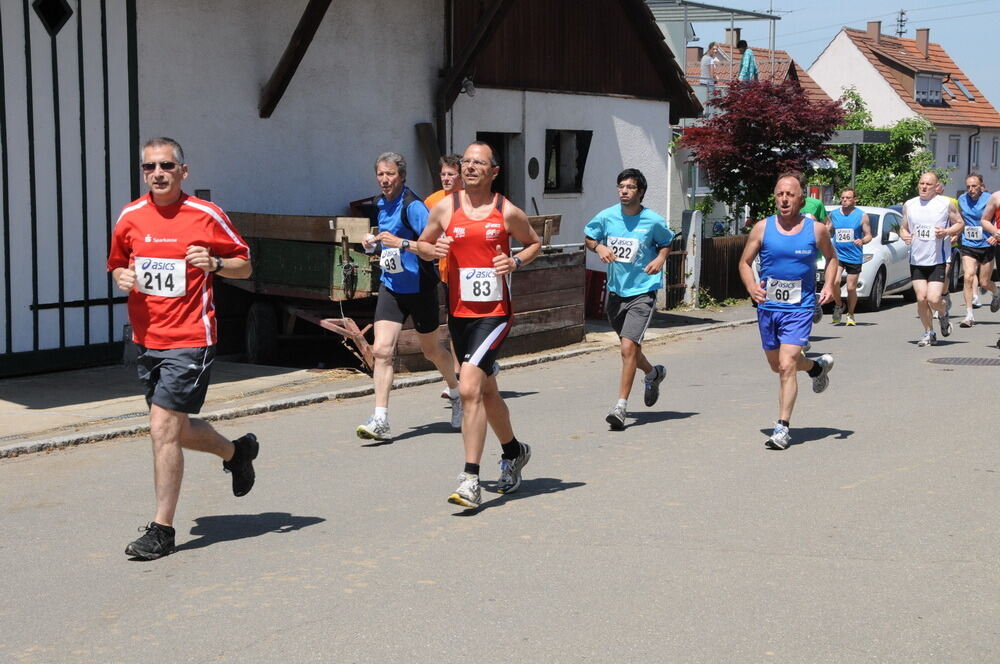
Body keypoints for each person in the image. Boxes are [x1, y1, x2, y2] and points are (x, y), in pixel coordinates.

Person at [107, 137, 256, 560]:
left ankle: (162, 529)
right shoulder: (131, 216)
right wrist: (121, 276)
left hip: (191, 338)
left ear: (183, 172)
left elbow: (245, 263)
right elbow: (117, 262)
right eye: (150, 167)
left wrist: (217, 264)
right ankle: (236, 451)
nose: (158, 173)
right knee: (173, 428)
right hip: (147, 338)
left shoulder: (206, 215)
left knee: (162, 430)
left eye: (167, 166)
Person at [417, 141, 541, 509]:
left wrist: (515, 262)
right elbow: (423, 244)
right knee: (487, 392)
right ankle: (514, 451)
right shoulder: (445, 208)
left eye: (478, 163)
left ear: (493, 172)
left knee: (469, 387)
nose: (470, 168)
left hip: (494, 314)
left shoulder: (506, 211)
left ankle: (470, 478)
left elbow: (534, 243)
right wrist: (431, 250)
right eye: (466, 162)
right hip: (458, 313)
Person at [357, 152, 461, 441]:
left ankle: (456, 392)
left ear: (401, 176)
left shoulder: (413, 206)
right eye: (380, 174)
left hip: (420, 289)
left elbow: (436, 248)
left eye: (390, 174)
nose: (384, 179)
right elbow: (387, 243)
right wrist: (373, 242)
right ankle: (380, 419)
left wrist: (401, 243)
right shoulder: (380, 204)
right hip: (392, 287)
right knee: (381, 351)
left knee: (431, 351)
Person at [738, 173, 836, 450]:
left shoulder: (815, 230)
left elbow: (832, 258)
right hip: (768, 307)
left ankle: (781, 428)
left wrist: (828, 284)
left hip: (800, 307)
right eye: (780, 193)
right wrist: (751, 287)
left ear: (802, 199)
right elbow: (744, 263)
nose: (784, 199)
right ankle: (816, 367)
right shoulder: (762, 228)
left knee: (788, 363)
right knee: (776, 365)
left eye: (790, 194)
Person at [583, 169, 673, 430]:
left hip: (642, 292)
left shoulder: (652, 221)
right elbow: (589, 236)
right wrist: (599, 246)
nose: (624, 191)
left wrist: (659, 258)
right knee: (631, 350)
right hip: (616, 292)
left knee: (626, 349)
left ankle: (620, 407)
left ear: (640, 192)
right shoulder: (607, 216)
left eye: (630, 187)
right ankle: (653, 373)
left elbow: (666, 242)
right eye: (621, 186)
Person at [900, 172, 963, 346]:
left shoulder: (945, 204)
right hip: (917, 260)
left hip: (937, 259)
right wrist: (905, 235)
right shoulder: (910, 204)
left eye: (928, 184)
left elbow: (959, 223)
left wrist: (946, 232)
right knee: (921, 298)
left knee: (934, 299)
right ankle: (929, 332)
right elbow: (903, 228)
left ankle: (943, 314)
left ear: (936, 187)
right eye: (921, 183)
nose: (924, 187)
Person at [425, 155, 465, 389]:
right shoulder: (433, 201)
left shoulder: (469, 201)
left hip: (468, 270)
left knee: (463, 321)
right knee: (453, 321)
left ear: (461, 177)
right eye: (443, 174)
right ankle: (459, 371)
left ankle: (470, 366)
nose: (446, 179)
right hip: (445, 271)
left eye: (451, 174)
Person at [956, 174, 999, 326]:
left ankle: (996, 292)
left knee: (984, 282)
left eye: (974, 186)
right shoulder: (962, 200)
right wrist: (956, 233)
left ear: (981, 186)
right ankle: (969, 316)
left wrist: (995, 234)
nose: (971, 189)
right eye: (968, 186)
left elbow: (997, 218)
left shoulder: (990, 198)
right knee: (968, 276)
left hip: (987, 244)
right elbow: (960, 219)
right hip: (968, 243)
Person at [826, 188, 872, 325]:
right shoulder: (833, 215)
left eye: (848, 198)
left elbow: (869, 235)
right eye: (843, 198)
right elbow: (827, 230)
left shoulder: (862, 216)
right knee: (834, 282)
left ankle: (850, 314)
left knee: (851, 288)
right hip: (838, 255)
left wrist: (862, 240)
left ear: (855, 199)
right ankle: (839, 305)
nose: (844, 200)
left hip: (854, 255)